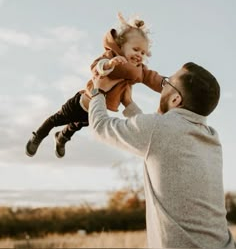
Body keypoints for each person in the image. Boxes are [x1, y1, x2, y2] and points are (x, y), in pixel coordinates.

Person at [88, 62, 235, 248]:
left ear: (176, 100)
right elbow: (158, 144)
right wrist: (129, 105)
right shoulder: (212, 138)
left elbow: (100, 127)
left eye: (166, 83)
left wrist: (97, 91)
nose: (162, 86)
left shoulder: (159, 130)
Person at [25, 13, 163, 158]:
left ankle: (61, 138)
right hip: (80, 102)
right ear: (122, 46)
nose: (139, 55)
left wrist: (142, 120)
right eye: (135, 50)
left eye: (143, 53)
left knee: (75, 126)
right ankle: (38, 135)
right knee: (56, 119)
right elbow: (97, 66)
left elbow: (139, 90)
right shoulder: (112, 56)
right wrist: (109, 64)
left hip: (95, 111)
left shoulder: (131, 76)